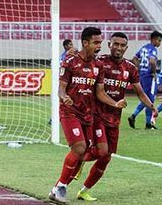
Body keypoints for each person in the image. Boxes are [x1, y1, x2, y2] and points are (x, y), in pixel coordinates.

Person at [74, 32, 158, 201]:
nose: (118, 48)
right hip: (97, 114)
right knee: (102, 151)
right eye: (115, 44)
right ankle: (77, 163)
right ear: (109, 45)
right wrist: (73, 54)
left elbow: (140, 92)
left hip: (114, 118)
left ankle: (84, 190)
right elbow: (82, 64)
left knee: (106, 158)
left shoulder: (130, 68)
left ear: (126, 48)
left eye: (122, 45)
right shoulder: (100, 62)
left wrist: (152, 107)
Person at [49, 27, 116, 204]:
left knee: (85, 151)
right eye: (96, 42)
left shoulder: (98, 66)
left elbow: (100, 93)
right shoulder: (70, 62)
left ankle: (57, 188)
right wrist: (65, 97)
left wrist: (115, 103)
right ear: (85, 43)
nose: (99, 46)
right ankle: (61, 187)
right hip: (70, 111)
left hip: (88, 114)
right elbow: (61, 88)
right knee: (79, 148)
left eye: (100, 42)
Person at [127, 30, 162, 129]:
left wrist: (139, 68)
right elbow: (152, 61)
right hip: (149, 76)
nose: (159, 43)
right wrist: (154, 73)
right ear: (154, 39)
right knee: (150, 98)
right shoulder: (153, 49)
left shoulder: (143, 47)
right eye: (159, 40)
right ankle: (134, 116)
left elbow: (134, 58)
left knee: (146, 97)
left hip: (142, 75)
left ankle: (147, 123)